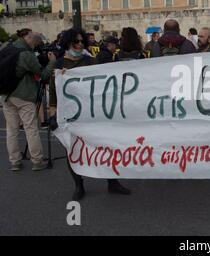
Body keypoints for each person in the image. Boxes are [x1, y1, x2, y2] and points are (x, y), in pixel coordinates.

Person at [48, 28, 130, 200]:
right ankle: (79, 185)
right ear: (67, 43)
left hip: (93, 114)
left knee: (105, 146)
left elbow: (104, 83)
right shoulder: (59, 65)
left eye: (81, 42)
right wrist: (53, 111)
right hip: (71, 115)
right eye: (75, 42)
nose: (79, 45)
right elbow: (54, 92)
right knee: (73, 149)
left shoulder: (91, 62)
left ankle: (112, 182)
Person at [0, 29, 56, 171]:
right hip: (23, 95)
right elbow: (43, 74)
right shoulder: (26, 54)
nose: (36, 44)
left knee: (11, 130)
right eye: (35, 41)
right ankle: (37, 160)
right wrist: (52, 62)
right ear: (28, 38)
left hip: (5, 94)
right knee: (31, 128)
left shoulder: (6, 47)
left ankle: (15, 162)